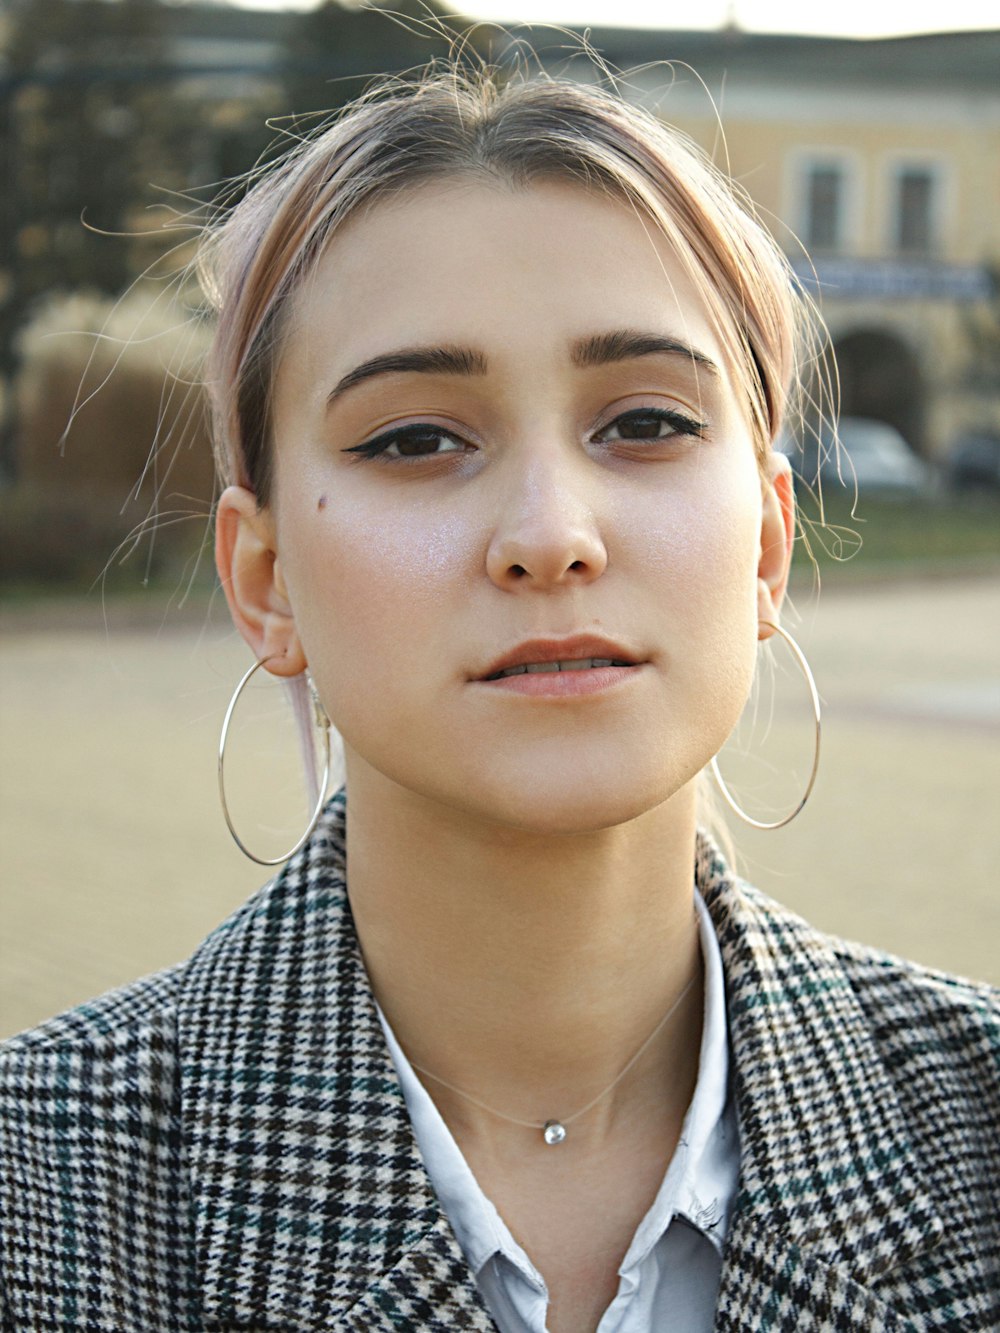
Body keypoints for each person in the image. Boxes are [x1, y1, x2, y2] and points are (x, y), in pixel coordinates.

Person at [1, 64, 997, 1333]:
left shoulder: (977, 1126)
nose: (549, 535)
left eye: (643, 421)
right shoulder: (40, 1189)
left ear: (764, 543)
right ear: (265, 582)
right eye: (416, 438)